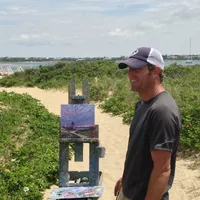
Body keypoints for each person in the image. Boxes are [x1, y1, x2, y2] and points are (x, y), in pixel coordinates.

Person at [114, 47, 181, 200]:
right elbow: (138, 151)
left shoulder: (162, 110)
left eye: (136, 69)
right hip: (130, 191)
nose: (130, 74)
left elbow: (162, 170)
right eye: (129, 69)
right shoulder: (143, 104)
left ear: (155, 71)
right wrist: (126, 179)